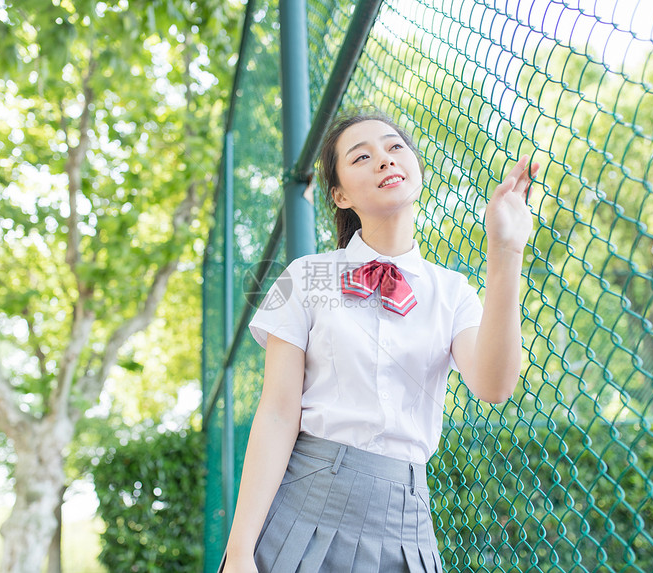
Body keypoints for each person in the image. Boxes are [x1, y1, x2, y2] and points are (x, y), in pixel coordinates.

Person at [221, 111, 539, 573]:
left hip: (405, 524)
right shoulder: (304, 276)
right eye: (362, 156)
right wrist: (241, 549)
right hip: (303, 507)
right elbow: (276, 411)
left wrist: (506, 251)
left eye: (394, 148)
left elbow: (494, 386)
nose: (384, 161)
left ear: (416, 169)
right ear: (340, 194)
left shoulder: (453, 293)